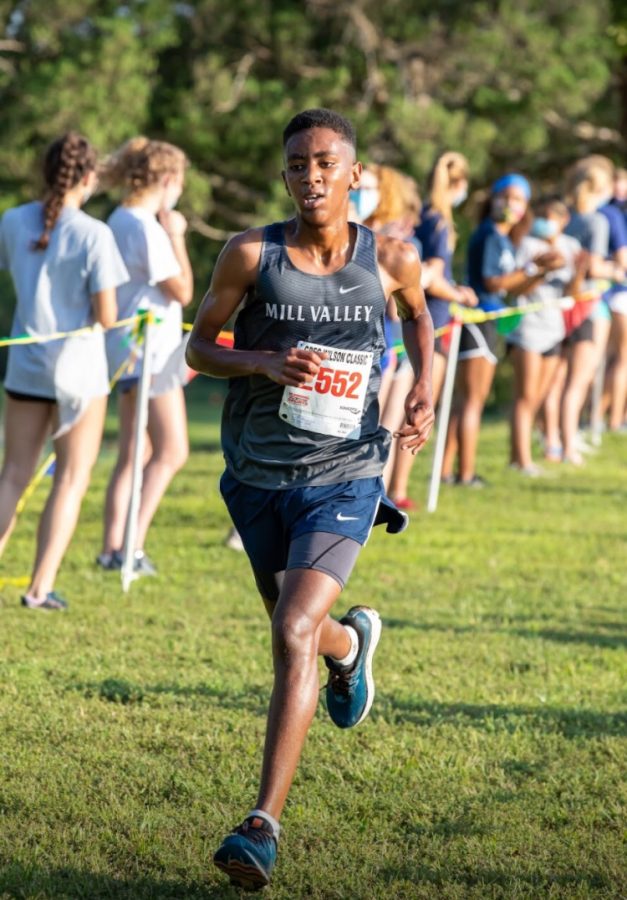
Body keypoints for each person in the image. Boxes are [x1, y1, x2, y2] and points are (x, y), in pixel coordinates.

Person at [186, 108, 434, 891]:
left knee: (290, 626)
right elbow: (197, 346)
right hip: (258, 473)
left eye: (326, 162)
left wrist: (423, 386)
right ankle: (352, 648)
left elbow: (420, 314)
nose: (311, 175)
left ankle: (261, 824)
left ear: (355, 174)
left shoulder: (390, 256)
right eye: (297, 164)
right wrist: (259, 361)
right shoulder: (250, 254)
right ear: (286, 175)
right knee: (300, 629)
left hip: (347, 472)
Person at [0, 132, 128, 609]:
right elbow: (108, 314)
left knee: (12, 474)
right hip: (79, 371)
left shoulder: (13, 220)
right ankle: (38, 588)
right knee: (70, 478)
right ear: (90, 177)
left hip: (26, 367)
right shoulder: (95, 233)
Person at [97, 137, 193, 574]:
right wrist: (176, 236)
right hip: (150, 353)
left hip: (128, 350)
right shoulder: (146, 227)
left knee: (134, 453)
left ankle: (111, 548)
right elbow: (183, 291)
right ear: (169, 180)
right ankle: (129, 550)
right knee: (172, 451)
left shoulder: (118, 217)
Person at [441, 173, 556, 486]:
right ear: (492, 199)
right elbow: (492, 283)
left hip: (492, 321)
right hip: (478, 320)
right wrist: (530, 269)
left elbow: (513, 289)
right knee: (473, 400)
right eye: (505, 197)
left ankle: (447, 470)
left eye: (518, 200)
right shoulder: (489, 234)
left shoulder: (504, 239)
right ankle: (465, 474)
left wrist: (540, 271)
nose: (510, 205)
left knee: (467, 400)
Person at [388, 151, 478, 506]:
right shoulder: (440, 222)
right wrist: (460, 294)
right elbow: (433, 276)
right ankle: (398, 489)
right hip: (434, 321)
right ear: (459, 185)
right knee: (419, 408)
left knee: (400, 405)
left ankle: (393, 486)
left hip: (417, 317)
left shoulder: (421, 216)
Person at [507, 198, 585, 472]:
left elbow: (571, 294)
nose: (547, 221)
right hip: (527, 327)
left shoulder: (570, 246)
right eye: (544, 215)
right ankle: (521, 460)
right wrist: (542, 269)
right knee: (525, 397)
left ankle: (520, 455)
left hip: (554, 329)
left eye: (553, 216)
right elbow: (518, 288)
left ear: (564, 221)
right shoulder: (527, 244)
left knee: (538, 398)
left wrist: (581, 269)